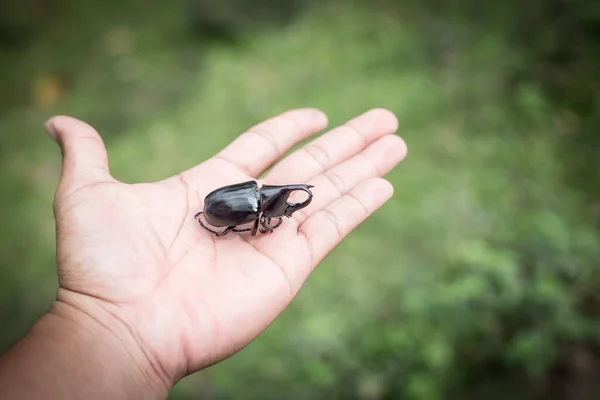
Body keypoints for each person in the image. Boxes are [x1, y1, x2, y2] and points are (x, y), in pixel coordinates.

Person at [0, 108, 407, 399]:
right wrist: (113, 327)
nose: (282, 213)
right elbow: (255, 217)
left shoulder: (258, 195)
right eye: (281, 209)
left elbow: (266, 208)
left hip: (222, 203)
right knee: (238, 226)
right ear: (268, 205)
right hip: (222, 208)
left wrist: (114, 334)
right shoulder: (254, 208)